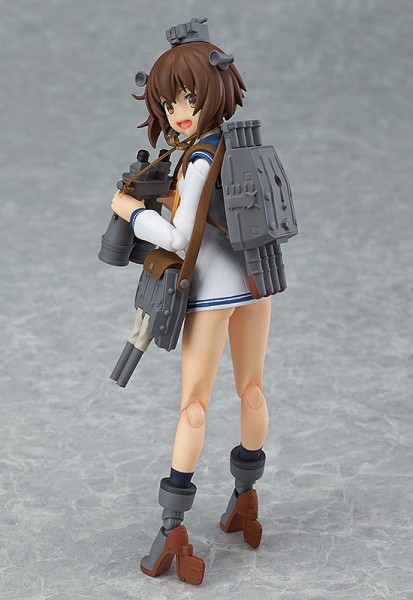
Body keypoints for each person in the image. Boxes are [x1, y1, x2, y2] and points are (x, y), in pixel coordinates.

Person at [111, 18, 271, 585]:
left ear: (215, 91)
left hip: (212, 291)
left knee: (194, 406)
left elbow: (180, 239)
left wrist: (132, 212)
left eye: (190, 97)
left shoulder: (200, 157)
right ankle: (245, 498)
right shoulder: (238, 145)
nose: (179, 111)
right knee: (252, 390)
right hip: (256, 281)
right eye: (168, 101)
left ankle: (172, 527)